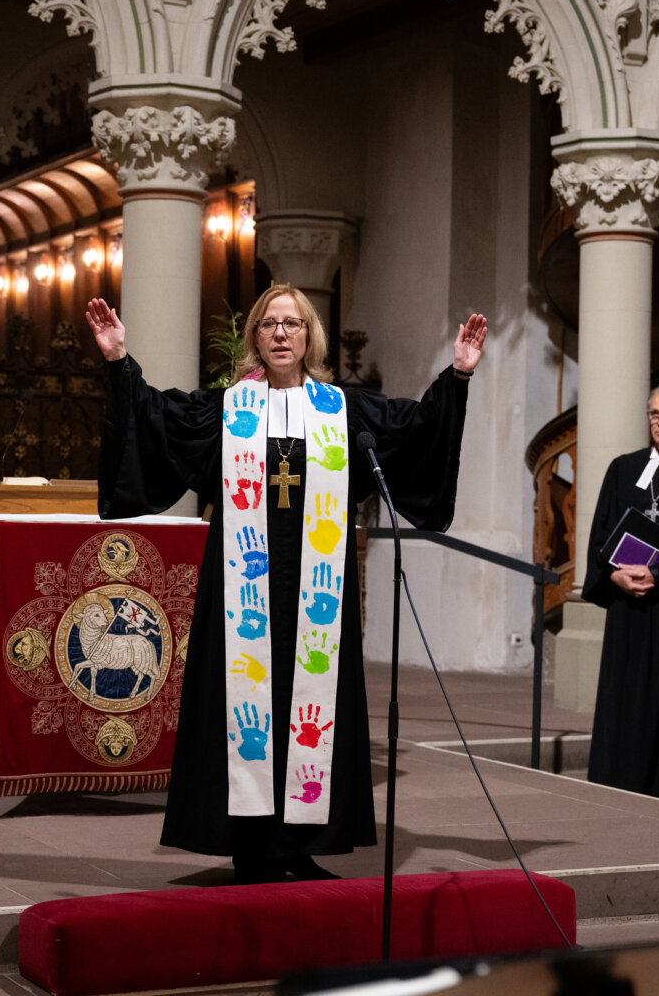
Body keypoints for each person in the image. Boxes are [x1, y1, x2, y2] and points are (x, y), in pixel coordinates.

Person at [87, 287, 484, 884]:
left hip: (314, 590)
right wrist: (119, 360)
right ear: (255, 336)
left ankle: (301, 845)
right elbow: (154, 420)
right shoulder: (225, 408)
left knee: (309, 711)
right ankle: (248, 844)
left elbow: (418, 428)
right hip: (243, 589)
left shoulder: (342, 409)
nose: (280, 334)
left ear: (308, 337)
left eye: (292, 324)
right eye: (270, 324)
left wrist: (456, 375)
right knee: (247, 709)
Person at [581, 384, 659, 795]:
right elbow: (600, 532)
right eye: (655, 414)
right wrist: (612, 574)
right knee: (624, 692)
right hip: (627, 605)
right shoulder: (623, 468)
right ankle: (616, 778)